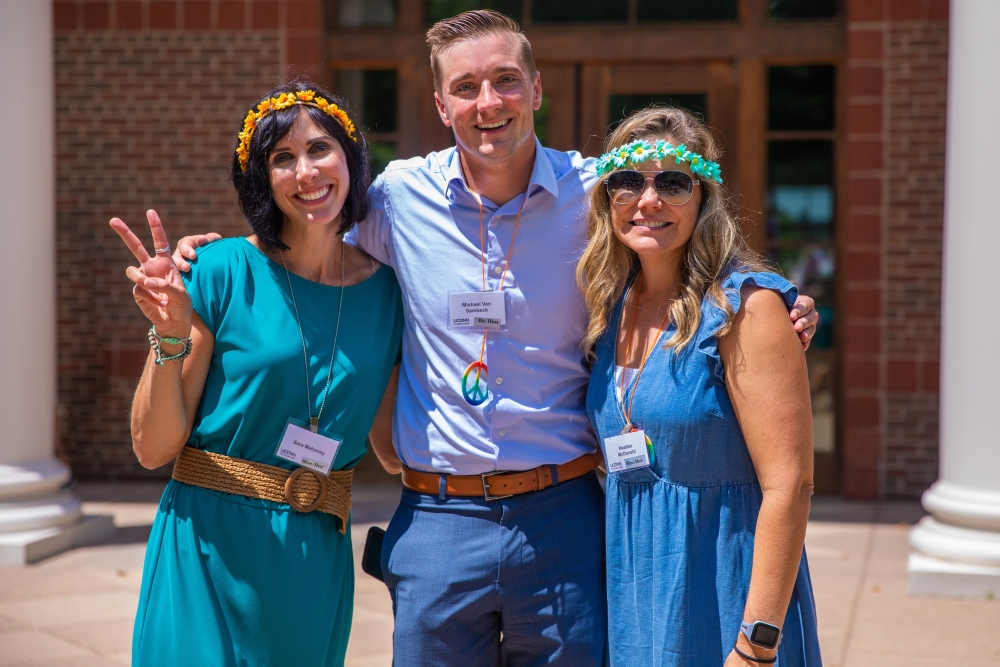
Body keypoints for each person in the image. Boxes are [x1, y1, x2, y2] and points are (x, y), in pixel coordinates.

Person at [173, 11, 819, 666]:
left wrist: (775, 301)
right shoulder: (396, 198)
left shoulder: (600, 190)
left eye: (506, 80)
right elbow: (304, 245)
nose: (489, 103)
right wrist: (211, 257)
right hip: (437, 518)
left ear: (536, 90)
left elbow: (682, 239)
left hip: (563, 517)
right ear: (440, 103)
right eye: (467, 87)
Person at [110, 83, 404, 666]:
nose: (306, 172)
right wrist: (168, 337)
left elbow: (394, 452)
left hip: (311, 559)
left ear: (350, 158)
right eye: (282, 159)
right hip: (207, 545)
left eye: (320, 149)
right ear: (261, 180)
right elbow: (152, 447)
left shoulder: (387, 293)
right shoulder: (217, 270)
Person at [579, 107, 822, 666]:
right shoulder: (610, 310)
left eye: (672, 182)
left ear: (704, 197)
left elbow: (792, 485)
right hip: (637, 591)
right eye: (627, 181)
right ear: (607, 197)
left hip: (725, 592)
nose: (649, 200)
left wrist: (757, 644)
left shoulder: (745, 308)